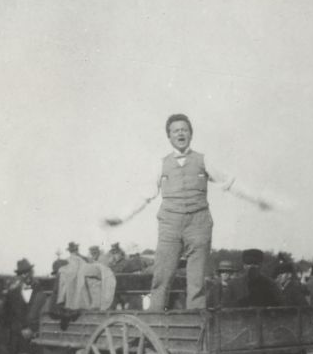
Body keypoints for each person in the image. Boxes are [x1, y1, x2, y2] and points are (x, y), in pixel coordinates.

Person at [105, 114, 273, 311]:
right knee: (162, 276)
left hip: (198, 223)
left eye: (184, 129)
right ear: (169, 137)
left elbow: (230, 182)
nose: (180, 133)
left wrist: (257, 198)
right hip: (170, 224)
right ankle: (155, 321)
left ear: (191, 134)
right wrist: (121, 217)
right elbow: (144, 195)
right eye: (175, 131)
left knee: (197, 280)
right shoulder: (161, 164)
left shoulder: (204, 160)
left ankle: (195, 327)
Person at [5, 258, 47, 354]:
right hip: (19, 339)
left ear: (31, 272)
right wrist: (21, 330)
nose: (26, 275)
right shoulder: (12, 293)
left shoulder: (40, 290)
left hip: (38, 337)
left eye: (28, 272)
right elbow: (8, 316)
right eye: (22, 273)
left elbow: (44, 313)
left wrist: (33, 329)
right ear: (19, 275)